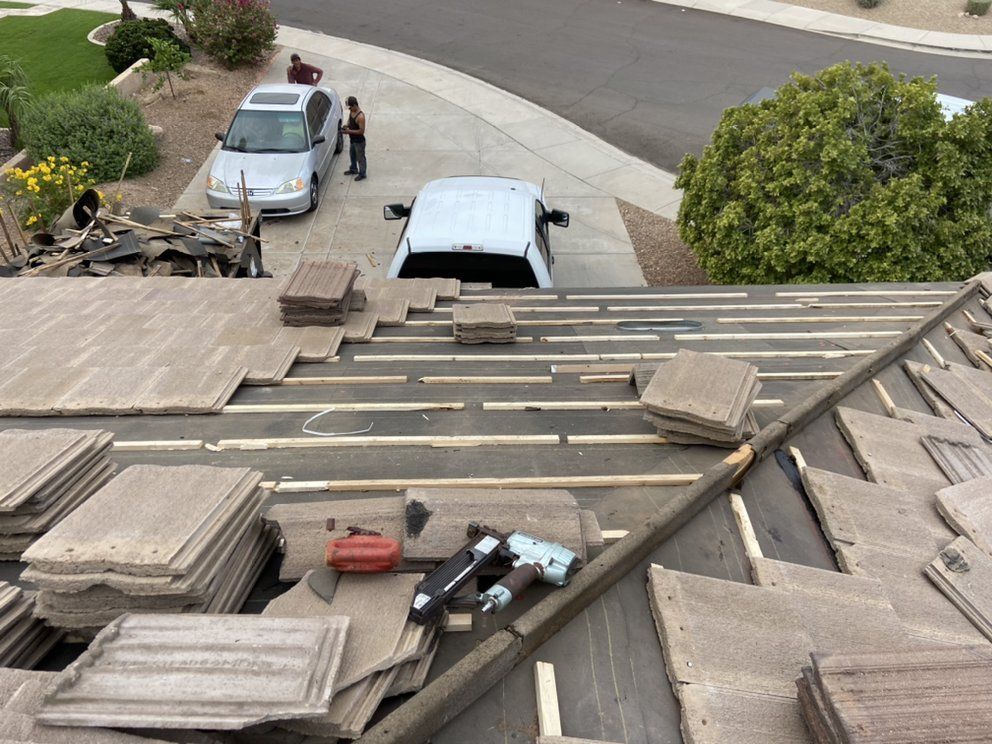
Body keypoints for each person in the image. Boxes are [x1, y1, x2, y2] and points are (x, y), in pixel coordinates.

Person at [342, 96, 367, 181]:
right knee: (352, 155)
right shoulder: (351, 112)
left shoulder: (360, 117)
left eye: (350, 107)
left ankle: (362, 173)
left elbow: (361, 131)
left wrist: (349, 131)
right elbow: (350, 121)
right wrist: (347, 126)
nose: (349, 109)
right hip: (352, 140)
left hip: (359, 142)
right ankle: (353, 169)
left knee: (360, 158)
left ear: (354, 105)